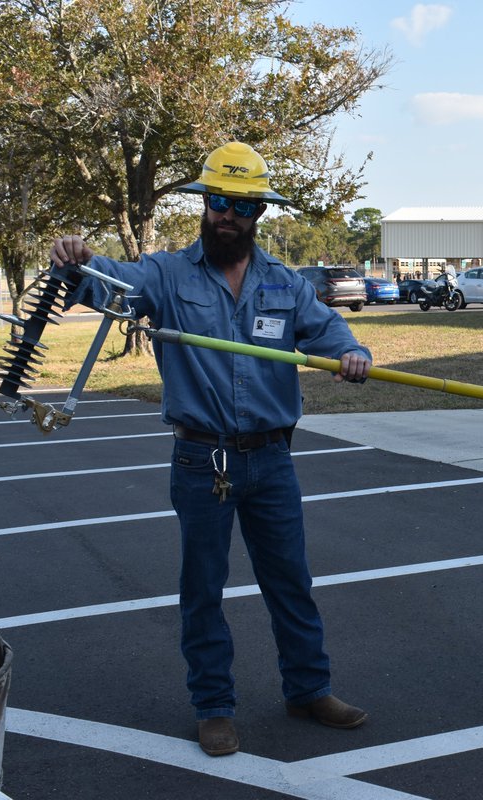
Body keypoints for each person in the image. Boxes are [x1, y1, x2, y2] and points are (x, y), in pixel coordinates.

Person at [50, 141, 373, 758]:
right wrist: (75, 261)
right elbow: (107, 283)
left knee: (291, 582)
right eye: (218, 201)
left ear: (258, 213)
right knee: (203, 587)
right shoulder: (168, 274)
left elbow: (331, 331)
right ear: (204, 204)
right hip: (203, 460)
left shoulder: (284, 281)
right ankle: (213, 706)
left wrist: (353, 351)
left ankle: (309, 689)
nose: (228, 215)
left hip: (272, 457)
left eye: (242, 205)